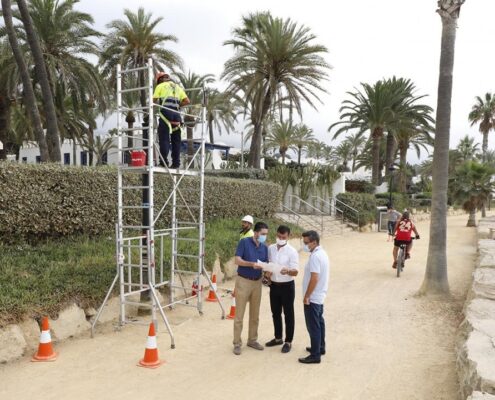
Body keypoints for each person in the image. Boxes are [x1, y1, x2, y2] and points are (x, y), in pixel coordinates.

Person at [232, 221, 269, 355]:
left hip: (257, 282)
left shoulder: (264, 248)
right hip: (243, 281)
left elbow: (265, 264)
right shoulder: (244, 242)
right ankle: (237, 343)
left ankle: (252, 340)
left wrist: (267, 273)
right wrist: (251, 264)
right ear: (256, 232)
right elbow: (237, 260)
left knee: (255, 314)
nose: (265, 236)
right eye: (263, 234)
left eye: (266, 234)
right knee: (239, 315)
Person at [265, 225, 299, 353]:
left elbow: (295, 272)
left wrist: (288, 271)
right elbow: (269, 264)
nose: (280, 239)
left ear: (288, 236)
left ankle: (288, 341)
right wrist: (267, 273)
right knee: (275, 313)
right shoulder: (271, 248)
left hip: (287, 286)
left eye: (283, 237)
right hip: (274, 285)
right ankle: (278, 337)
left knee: (288, 314)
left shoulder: (292, 251)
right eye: (278, 236)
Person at [299, 230, 329, 364]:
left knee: (313, 326)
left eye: (306, 243)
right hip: (319, 295)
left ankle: (315, 355)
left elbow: (314, 278)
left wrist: (307, 296)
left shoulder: (316, 257)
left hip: (313, 297)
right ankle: (320, 347)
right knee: (319, 322)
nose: (305, 245)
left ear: (314, 242)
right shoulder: (321, 253)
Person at [152, 72, 190, 169]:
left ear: (160, 80)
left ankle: (164, 162)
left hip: (165, 114)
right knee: (176, 141)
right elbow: (187, 101)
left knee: (164, 139)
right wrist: (177, 105)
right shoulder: (177, 87)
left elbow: (154, 101)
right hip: (177, 116)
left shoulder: (160, 86)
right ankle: (176, 164)